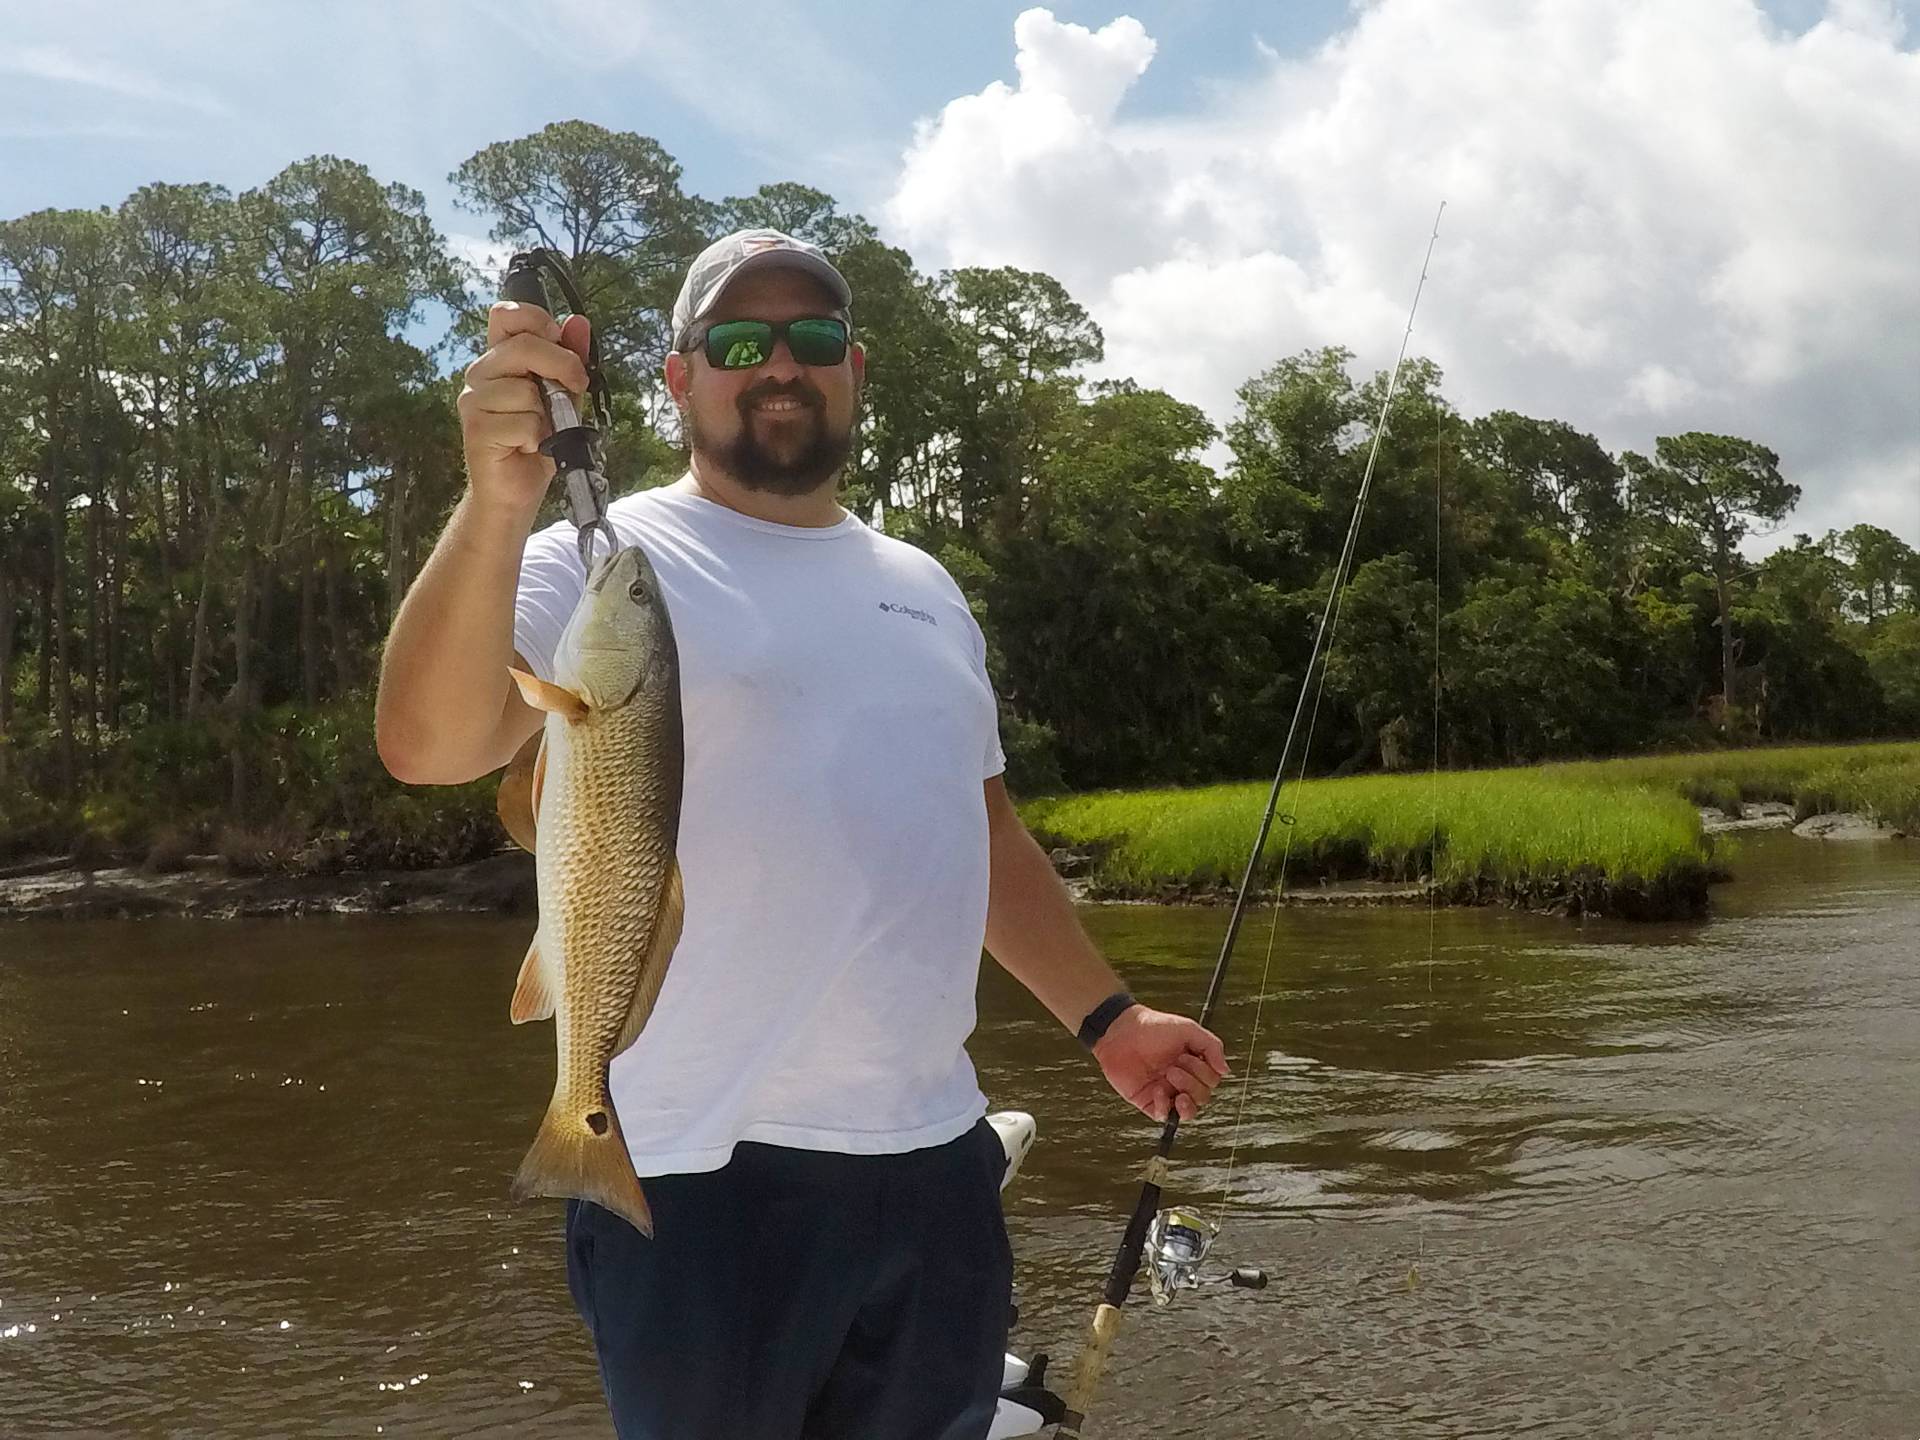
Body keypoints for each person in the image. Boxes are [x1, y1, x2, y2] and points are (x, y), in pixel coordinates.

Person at [374, 228, 1231, 1439]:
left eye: (812, 338)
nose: (779, 362)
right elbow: (431, 742)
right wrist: (496, 499)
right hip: (692, 1174)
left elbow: (975, 830)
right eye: (737, 340)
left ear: (855, 368)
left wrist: (1108, 1017)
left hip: (936, 1168)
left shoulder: (924, 586)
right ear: (679, 379)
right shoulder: (603, 558)